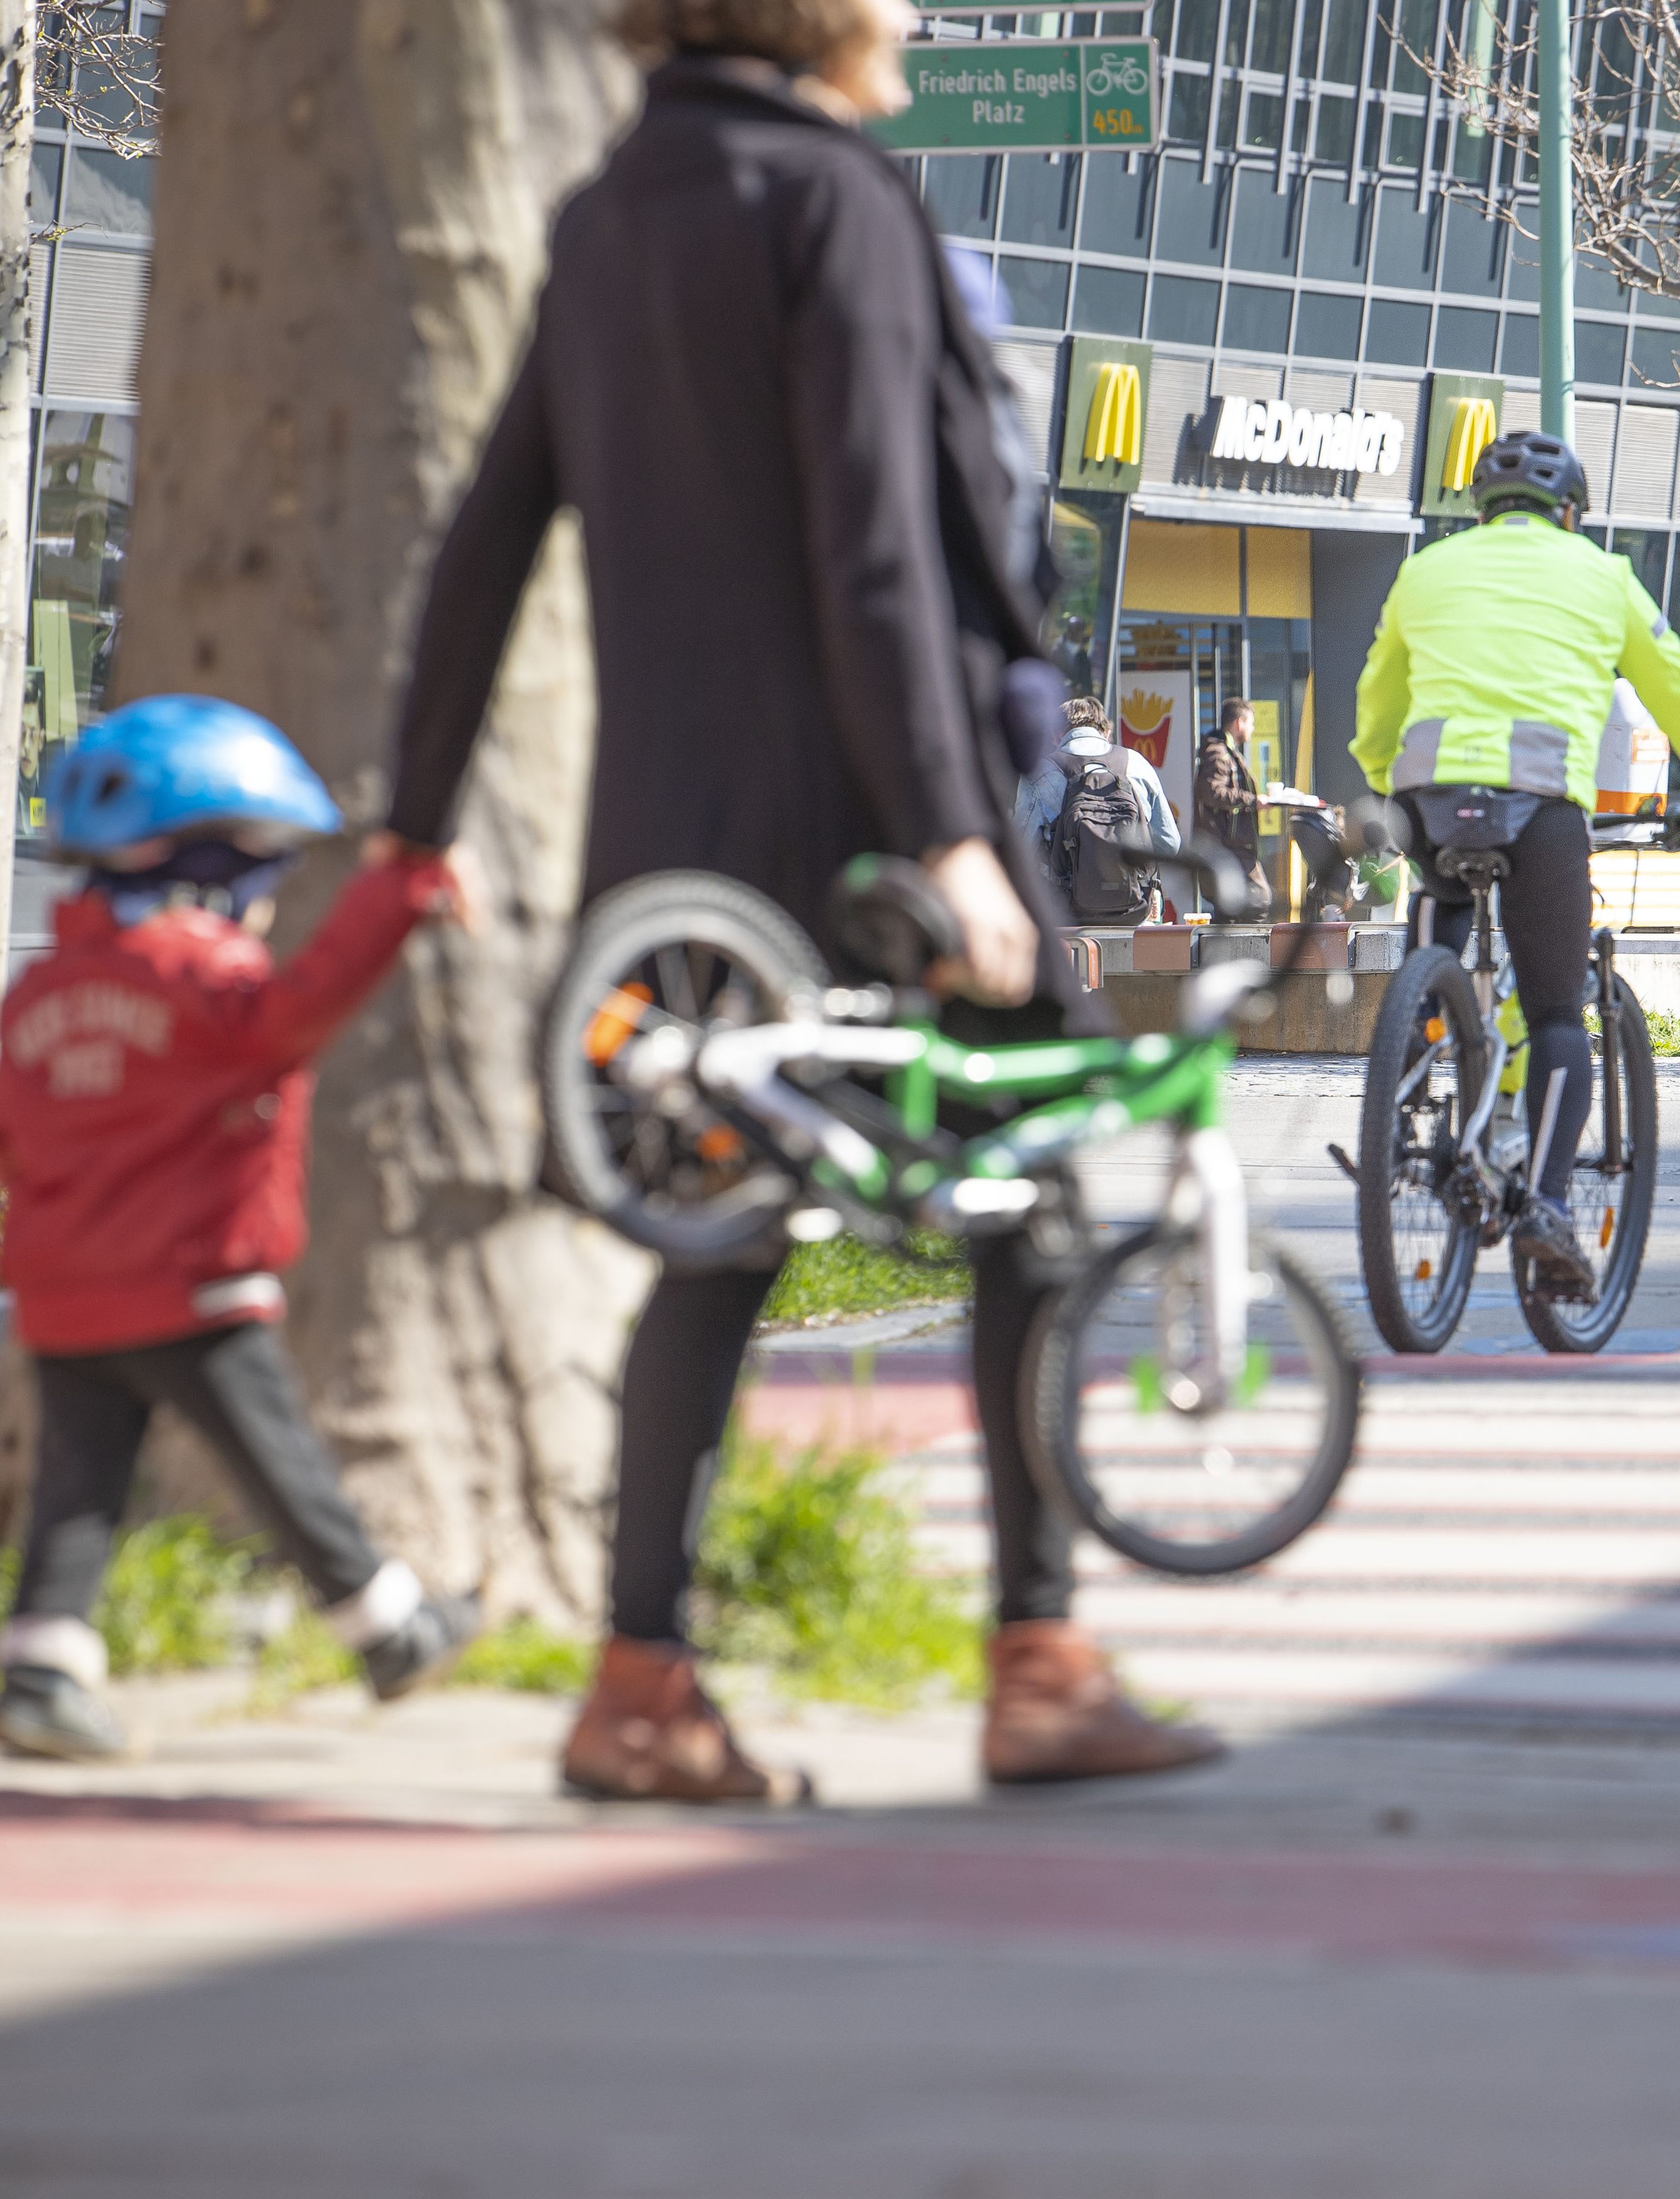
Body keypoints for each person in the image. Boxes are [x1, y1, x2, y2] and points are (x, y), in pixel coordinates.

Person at [381, 0, 1218, 1799]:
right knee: (1036, 1192)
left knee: (718, 1237)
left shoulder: (612, 212)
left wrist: (409, 821)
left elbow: (489, 527)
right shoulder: (834, 198)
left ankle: (640, 1683)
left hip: (677, 861)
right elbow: (877, 550)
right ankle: (1040, 1659)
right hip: (859, 840)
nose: (913, 16)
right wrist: (952, 834)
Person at [0, 698, 480, 1761]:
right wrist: (399, 884)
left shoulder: (34, 996)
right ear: (216, 876)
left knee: (79, 1488)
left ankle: (40, 1663)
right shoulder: (207, 979)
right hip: (193, 1289)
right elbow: (303, 1007)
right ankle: (388, 1625)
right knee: (278, 1463)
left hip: (64, 1294)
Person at [1353, 430, 1680, 1292]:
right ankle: (1544, 1203)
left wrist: (1387, 782)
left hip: (1429, 802)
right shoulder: (1601, 574)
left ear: (1481, 508)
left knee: (1437, 926)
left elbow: (1377, 700)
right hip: (1540, 809)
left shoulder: (1427, 569)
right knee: (1558, 1010)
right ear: (1569, 510)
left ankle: (1419, 1048)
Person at [1016, 695, 1183, 922]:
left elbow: (1019, 849)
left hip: (1066, 915)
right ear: (1104, 731)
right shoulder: (1137, 764)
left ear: (1057, 734)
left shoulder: (1041, 772)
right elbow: (1169, 844)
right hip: (1135, 912)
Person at [1195, 697, 1273, 909]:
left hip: (1231, 845)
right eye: (1251, 723)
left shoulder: (1224, 752)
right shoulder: (1219, 753)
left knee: (1232, 909)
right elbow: (1213, 792)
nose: (1253, 729)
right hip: (1229, 846)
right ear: (1240, 723)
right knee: (1260, 899)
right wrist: (1252, 800)